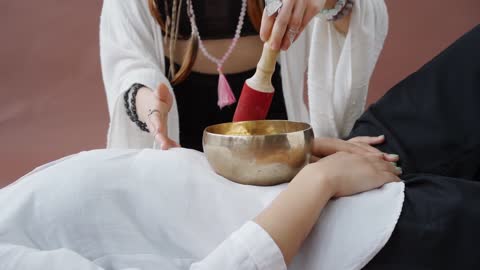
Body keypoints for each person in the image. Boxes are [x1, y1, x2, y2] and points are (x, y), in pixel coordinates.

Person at [1, 25, 479, 269]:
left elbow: (173, 213)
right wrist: (321, 181)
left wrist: (302, 154)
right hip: (361, 236)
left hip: (310, 171)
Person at [100, 0, 388, 151]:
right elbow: (128, 63)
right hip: (179, 170)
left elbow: (357, 18)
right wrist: (147, 105)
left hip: (281, 164)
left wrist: (329, 2)